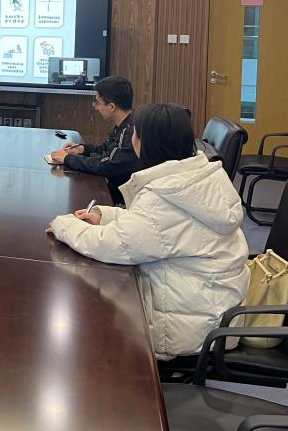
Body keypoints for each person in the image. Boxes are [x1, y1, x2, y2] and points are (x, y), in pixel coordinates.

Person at [47, 103, 250, 362]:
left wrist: (64, 225)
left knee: (83, 323)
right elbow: (155, 227)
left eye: (135, 133)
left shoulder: (166, 195)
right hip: (212, 307)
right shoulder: (198, 178)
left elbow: (113, 245)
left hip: (190, 328)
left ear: (144, 143)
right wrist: (105, 215)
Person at [48, 75, 139, 203]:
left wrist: (67, 159)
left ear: (111, 107)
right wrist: (82, 149)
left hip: (121, 200)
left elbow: (107, 164)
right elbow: (106, 149)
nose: (97, 108)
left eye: (98, 103)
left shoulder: (130, 130)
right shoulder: (125, 123)